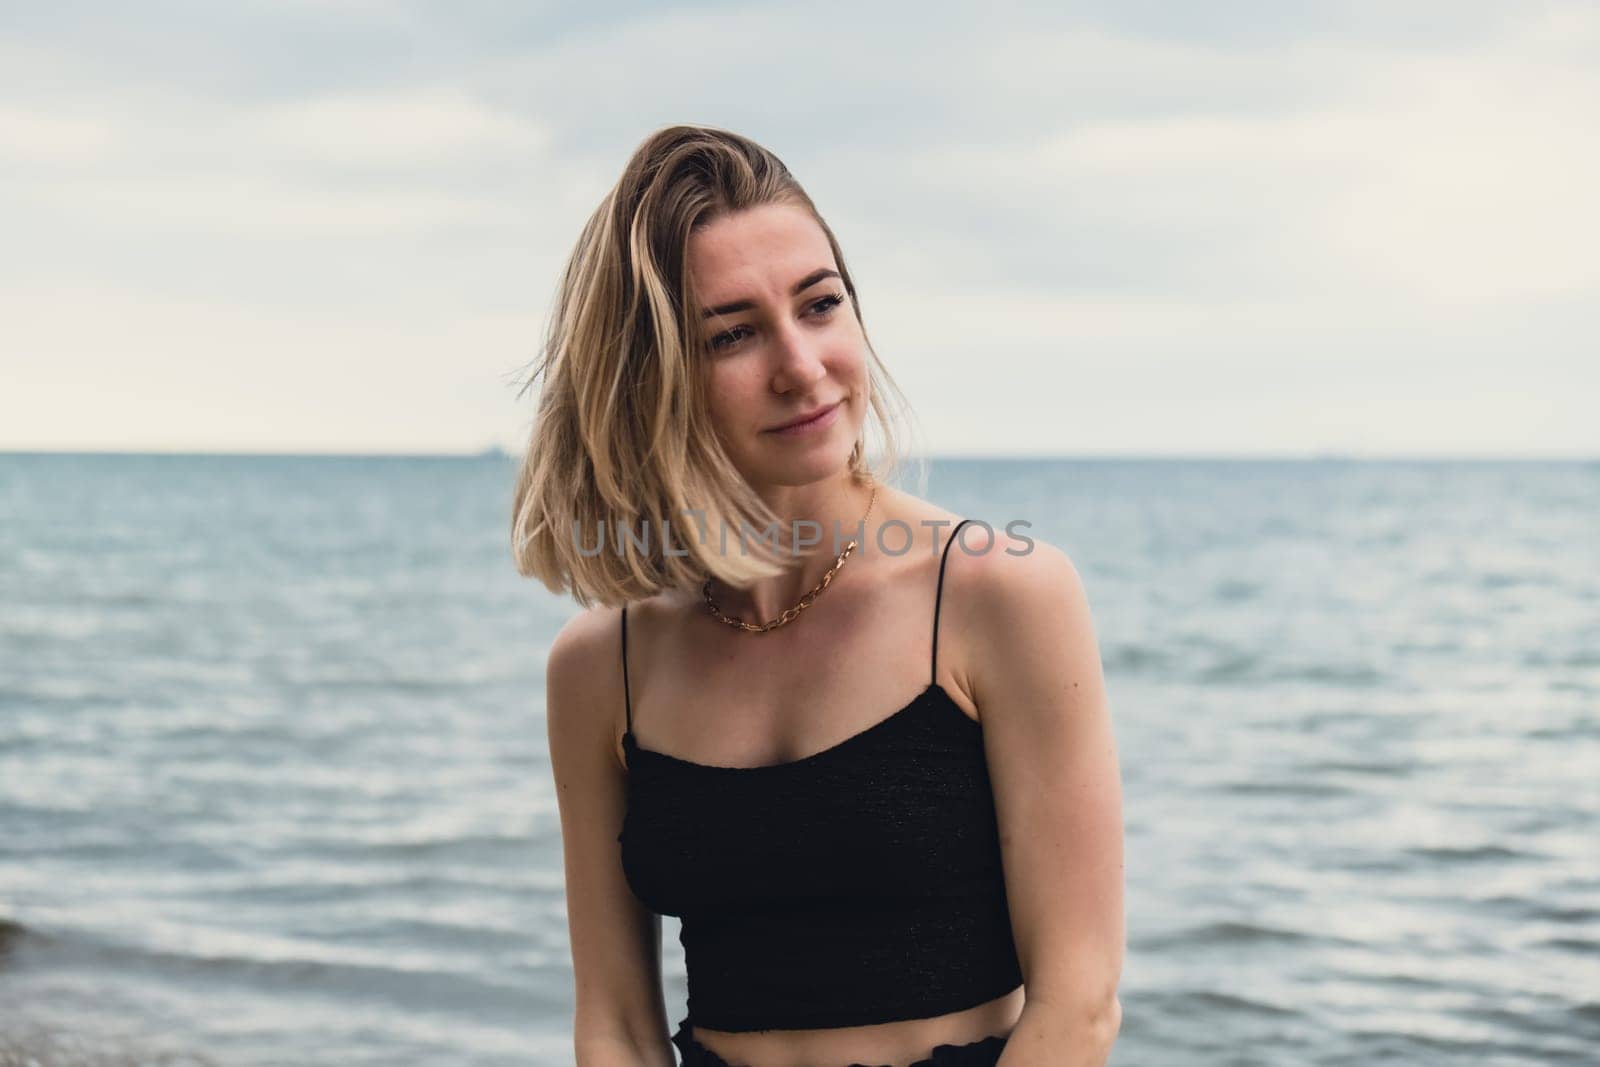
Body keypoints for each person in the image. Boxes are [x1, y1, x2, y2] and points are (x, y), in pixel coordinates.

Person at [511, 124, 1124, 1067]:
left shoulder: (998, 594)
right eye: (734, 334)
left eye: (820, 304)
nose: (801, 366)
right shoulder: (604, 666)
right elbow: (618, 1027)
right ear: (652, 378)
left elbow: (1078, 1007)